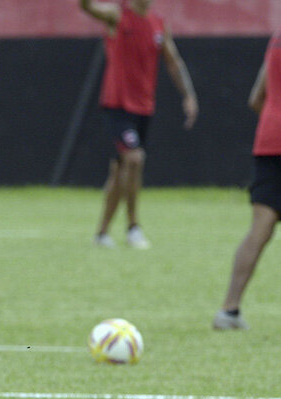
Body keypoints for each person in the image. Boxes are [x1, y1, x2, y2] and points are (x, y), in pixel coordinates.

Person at [80, 0, 198, 249]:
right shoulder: (117, 16)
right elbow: (87, 7)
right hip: (118, 105)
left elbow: (173, 61)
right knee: (134, 159)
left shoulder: (157, 24)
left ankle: (101, 234)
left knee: (120, 171)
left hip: (143, 108)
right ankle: (133, 227)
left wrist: (188, 95)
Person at [213, 5, 281, 330]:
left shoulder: (280, 35)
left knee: (259, 230)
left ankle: (229, 310)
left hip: (271, 141)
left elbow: (255, 98)